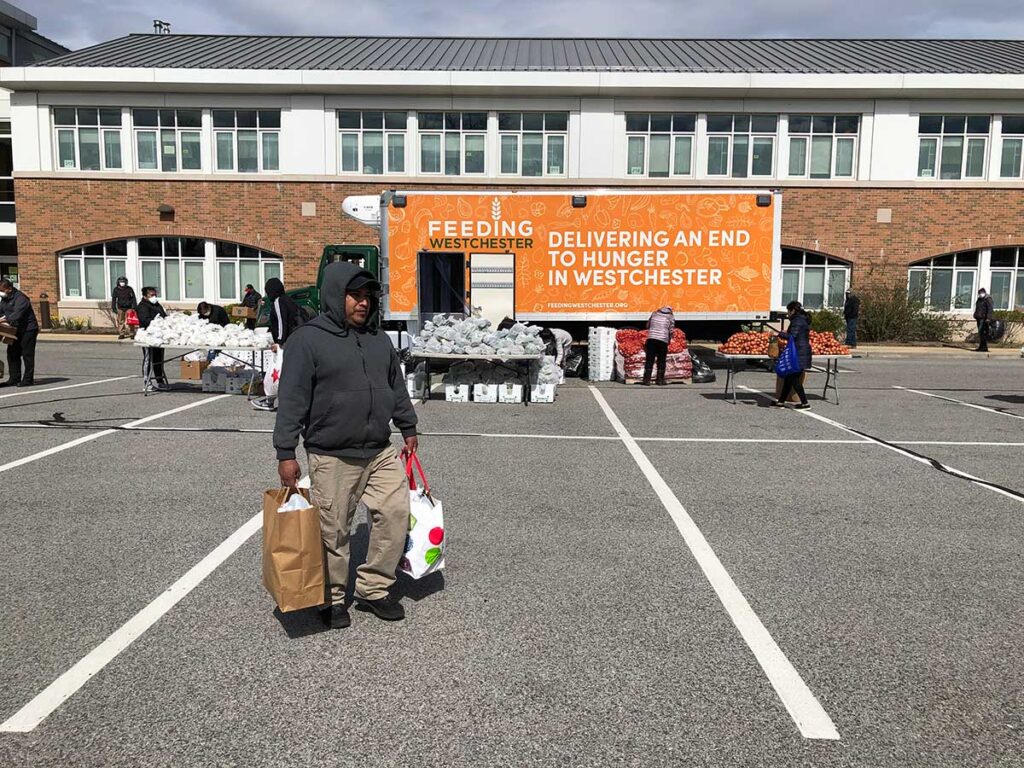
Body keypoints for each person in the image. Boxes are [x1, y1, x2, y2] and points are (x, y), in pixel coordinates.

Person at [274, 262, 419, 628]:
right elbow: (291, 399)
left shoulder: (378, 339)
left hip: (379, 449)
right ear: (335, 295)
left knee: (395, 514)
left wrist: (408, 425)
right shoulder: (307, 340)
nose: (363, 302)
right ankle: (332, 597)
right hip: (332, 454)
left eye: (367, 296)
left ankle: (373, 589)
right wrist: (286, 452)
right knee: (333, 530)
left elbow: (395, 386)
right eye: (355, 295)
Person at [252, 277, 302, 411]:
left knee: (277, 373)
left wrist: (279, 342)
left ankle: (270, 401)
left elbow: (281, 323)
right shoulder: (288, 300)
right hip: (295, 342)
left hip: (286, 344)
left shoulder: (279, 301)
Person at [772, 300, 812, 409]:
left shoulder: (797, 320)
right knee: (790, 377)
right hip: (801, 351)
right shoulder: (802, 319)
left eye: (788, 311)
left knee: (793, 378)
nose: (788, 314)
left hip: (798, 352)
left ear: (793, 310)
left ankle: (805, 403)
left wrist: (779, 334)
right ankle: (781, 402)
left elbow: (792, 337)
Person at [0, 279, 38, 388]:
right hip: (15, 330)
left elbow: (16, 315)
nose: (1, 293)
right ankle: (14, 378)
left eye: (2, 290)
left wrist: (3, 319)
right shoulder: (5, 299)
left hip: (28, 329)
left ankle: (28, 379)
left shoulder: (21, 298)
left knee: (27, 354)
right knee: (12, 353)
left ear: (9, 289)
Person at [136, 286, 169, 392]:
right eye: (152, 295)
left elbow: (163, 315)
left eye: (155, 294)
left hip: (159, 336)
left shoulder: (157, 304)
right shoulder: (142, 306)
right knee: (148, 359)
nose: (154, 296)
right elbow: (144, 320)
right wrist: (156, 321)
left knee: (158, 359)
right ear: (145, 296)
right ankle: (147, 382)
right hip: (148, 336)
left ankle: (160, 381)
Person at [642, 306, 675, 385]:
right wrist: (669, 339)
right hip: (663, 340)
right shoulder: (670, 317)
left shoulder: (654, 314)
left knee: (650, 359)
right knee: (661, 359)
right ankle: (660, 380)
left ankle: (647, 380)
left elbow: (648, 325)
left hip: (651, 339)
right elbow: (671, 330)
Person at [973, 287, 994, 352]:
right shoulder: (979, 299)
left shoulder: (988, 299)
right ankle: (982, 347)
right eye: (979, 293)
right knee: (980, 333)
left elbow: (990, 309)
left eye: (981, 293)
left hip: (984, 318)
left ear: (984, 293)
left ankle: (984, 347)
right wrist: (975, 315)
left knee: (982, 332)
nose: (980, 294)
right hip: (979, 318)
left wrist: (988, 318)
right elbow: (978, 308)